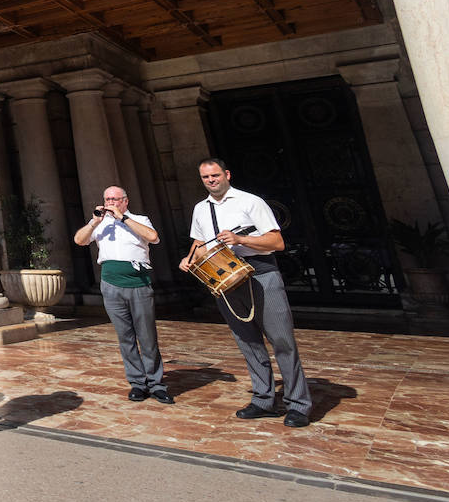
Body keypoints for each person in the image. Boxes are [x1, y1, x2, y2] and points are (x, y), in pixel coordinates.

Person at [180, 158, 312, 428]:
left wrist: (241, 239)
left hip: (261, 274)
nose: (211, 181)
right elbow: (198, 241)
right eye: (206, 177)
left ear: (227, 174)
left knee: (282, 341)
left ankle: (298, 404)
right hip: (224, 279)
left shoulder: (250, 202)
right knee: (248, 342)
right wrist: (190, 257)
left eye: (215, 175)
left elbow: (277, 241)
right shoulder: (200, 209)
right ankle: (263, 399)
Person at [74, 186, 172, 404]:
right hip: (111, 285)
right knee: (125, 337)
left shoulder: (139, 219)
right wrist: (94, 222)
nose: (111, 203)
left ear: (125, 201)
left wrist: (124, 218)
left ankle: (156, 383)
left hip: (138, 283)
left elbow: (153, 237)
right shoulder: (101, 224)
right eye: (107, 199)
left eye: (115, 199)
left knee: (147, 336)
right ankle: (137, 382)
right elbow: (79, 240)